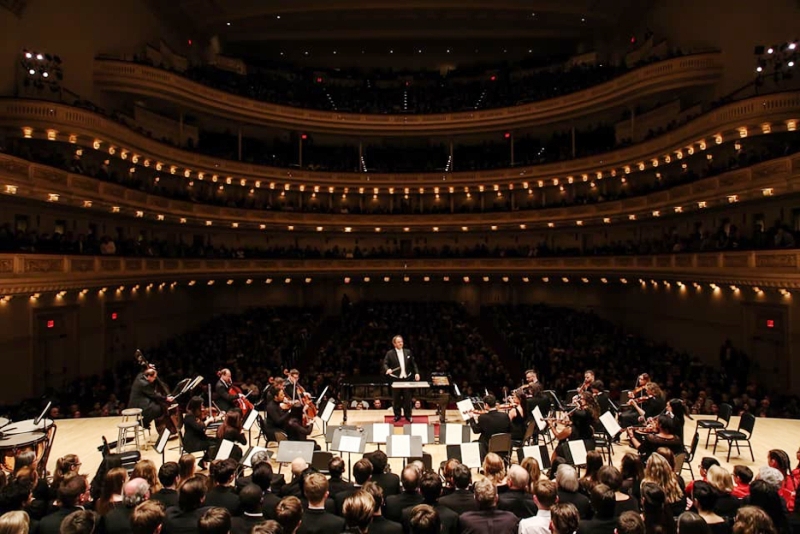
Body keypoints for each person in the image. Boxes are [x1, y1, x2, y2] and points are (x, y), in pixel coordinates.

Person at [383, 335, 420, 422]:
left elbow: (413, 364)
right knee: (396, 399)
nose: (401, 343)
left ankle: (408, 416)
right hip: (396, 379)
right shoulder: (389, 353)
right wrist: (387, 369)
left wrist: (417, 373)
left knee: (408, 398)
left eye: (401, 342)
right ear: (394, 344)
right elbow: (385, 363)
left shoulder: (408, 352)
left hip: (407, 378)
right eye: (399, 342)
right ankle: (397, 415)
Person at [182, 397, 219, 470]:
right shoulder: (189, 416)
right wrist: (208, 421)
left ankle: (204, 460)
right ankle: (205, 460)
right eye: (201, 405)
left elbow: (201, 426)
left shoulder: (194, 415)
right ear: (196, 406)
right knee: (214, 445)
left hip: (198, 438)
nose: (203, 407)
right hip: (192, 443)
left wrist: (214, 419)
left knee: (218, 441)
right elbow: (199, 427)